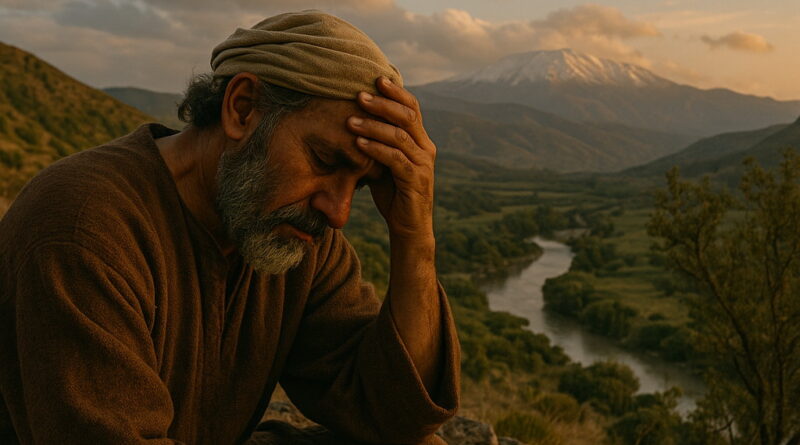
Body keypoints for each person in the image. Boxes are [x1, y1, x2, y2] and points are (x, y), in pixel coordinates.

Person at [0, 10, 459, 445]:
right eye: (324, 160)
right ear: (242, 108)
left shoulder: (290, 234)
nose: (337, 213)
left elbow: (396, 416)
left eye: (360, 186)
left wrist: (414, 238)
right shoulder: (83, 228)